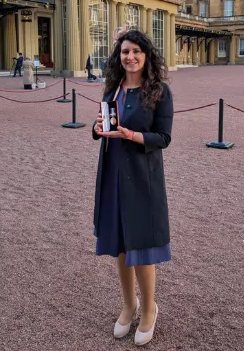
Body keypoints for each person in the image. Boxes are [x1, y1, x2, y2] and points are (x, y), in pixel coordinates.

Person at [91, 28, 173, 346]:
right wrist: (98, 129)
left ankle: (150, 308)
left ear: (146, 55)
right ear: (119, 56)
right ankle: (129, 305)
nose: (130, 56)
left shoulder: (159, 91)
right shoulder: (113, 89)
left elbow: (163, 138)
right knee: (120, 245)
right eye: (125, 51)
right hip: (112, 174)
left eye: (136, 51)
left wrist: (131, 135)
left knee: (141, 246)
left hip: (142, 177)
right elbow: (103, 126)